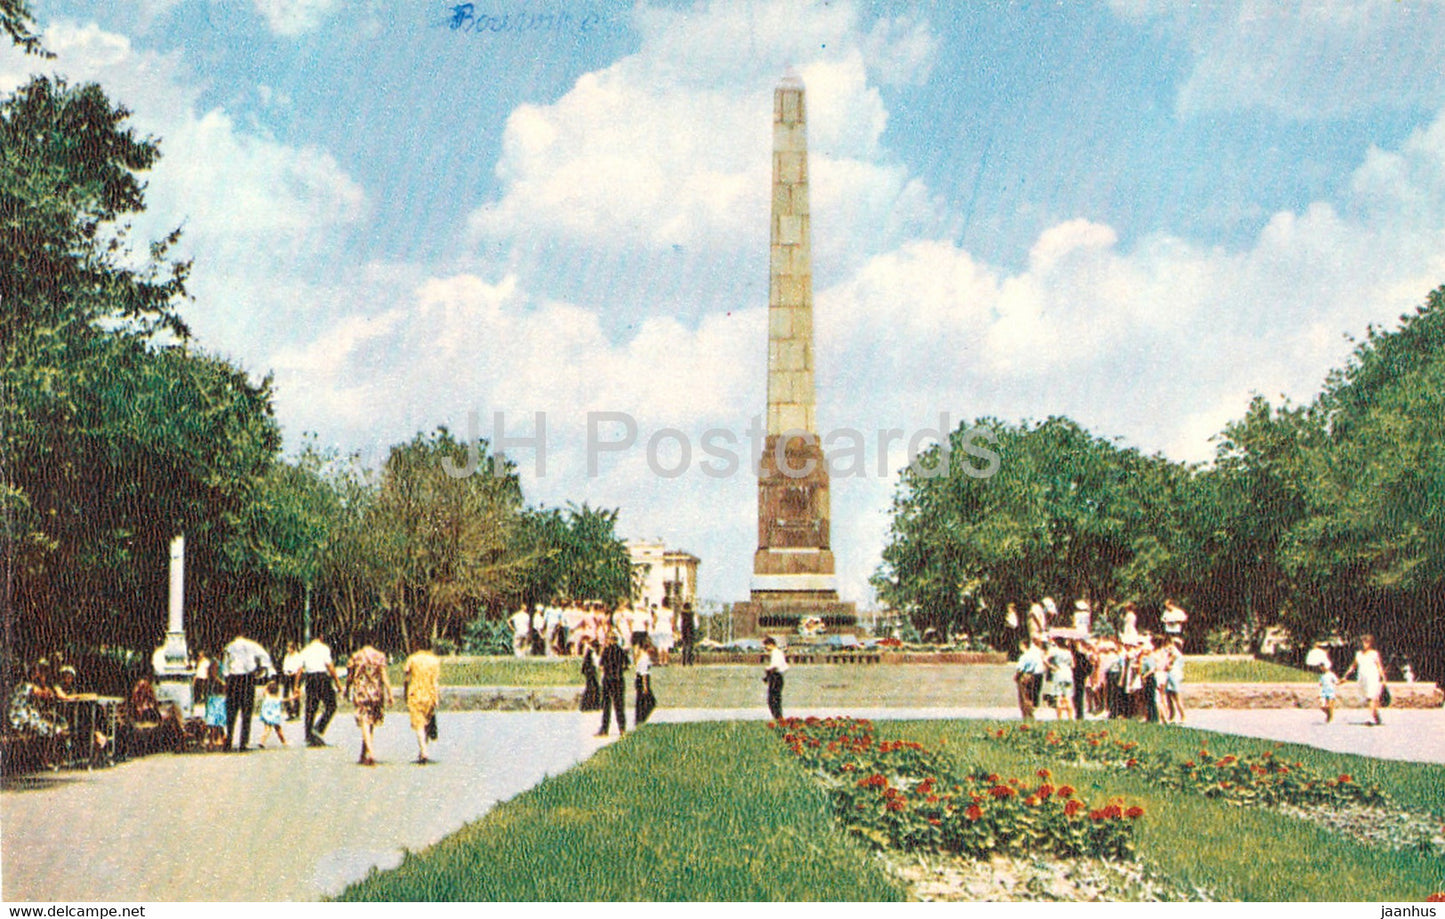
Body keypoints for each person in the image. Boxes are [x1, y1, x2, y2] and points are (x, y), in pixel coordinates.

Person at [7, 660, 68, 769]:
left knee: (50, 725)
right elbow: (45, 695)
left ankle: (47, 758)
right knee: (52, 729)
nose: (41, 675)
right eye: (40, 673)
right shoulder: (28, 686)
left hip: (20, 717)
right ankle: (45, 759)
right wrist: (45, 684)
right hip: (21, 719)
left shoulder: (21, 686)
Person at [222, 634, 272, 752]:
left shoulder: (230, 646)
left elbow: (225, 666)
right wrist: (261, 671)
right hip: (247, 679)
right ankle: (243, 743)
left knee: (231, 712)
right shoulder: (252, 645)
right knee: (246, 712)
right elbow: (265, 657)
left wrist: (227, 677)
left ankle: (229, 741)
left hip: (233, 679)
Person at [345, 642, 392, 765]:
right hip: (375, 693)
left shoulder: (356, 656)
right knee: (370, 722)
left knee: (364, 722)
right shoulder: (379, 656)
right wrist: (389, 693)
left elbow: (350, 676)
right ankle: (363, 753)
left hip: (361, 693)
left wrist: (346, 690)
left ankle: (370, 753)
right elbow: (384, 676)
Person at [403, 642, 442, 764]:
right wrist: (436, 697)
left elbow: (406, 679)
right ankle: (423, 751)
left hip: (415, 694)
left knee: (419, 725)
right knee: (426, 723)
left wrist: (405, 692)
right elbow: (435, 681)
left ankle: (423, 751)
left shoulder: (412, 659)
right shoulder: (435, 661)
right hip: (429, 695)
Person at [300, 633, 340, 747]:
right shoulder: (324, 649)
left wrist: (296, 686)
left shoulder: (305, 650)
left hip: (310, 678)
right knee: (331, 705)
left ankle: (308, 735)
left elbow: (300, 669)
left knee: (310, 707)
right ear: (321, 636)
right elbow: (330, 666)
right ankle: (318, 728)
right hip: (322, 678)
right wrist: (337, 682)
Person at [1342, 633, 1386, 726]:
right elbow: (1353, 666)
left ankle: (1370, 718)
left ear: (1370, 643)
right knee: (1367, 698)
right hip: (1362, 678)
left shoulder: (1374, 654)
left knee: (1371, 697)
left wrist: (1383, 678)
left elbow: (1379, 666)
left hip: (1372, 677)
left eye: (1366, 642)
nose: (1363, 644)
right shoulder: (1358, 654)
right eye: (1362, 642)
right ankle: (1376, 716)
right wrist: (1345, 676)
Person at [595, 631, 628, 737]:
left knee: (606, 705)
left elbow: (601, 666)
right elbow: (626, 665)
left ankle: (604, 729)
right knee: (619, 705)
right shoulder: (621, 651)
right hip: (618, 679)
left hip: (608, 680)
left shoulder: (606, 651)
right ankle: (622, 729)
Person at [256, 677, 294, 748]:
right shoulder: (277, 699)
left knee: (267, 728)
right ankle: (284, 742)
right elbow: (286, 699)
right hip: (274, 716)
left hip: (266, 715)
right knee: (278, 729)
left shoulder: (267, 697)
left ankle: (261, 741)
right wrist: (294, 697)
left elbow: (264, 690)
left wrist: (268, 684)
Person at [1014, 638, 1045, 721]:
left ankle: (1026, 715)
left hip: (1024, 675)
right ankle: (1031, 713)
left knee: (1024, 696)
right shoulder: (1034, 656)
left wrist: (1016, 677)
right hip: (1032, 675)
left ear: (1023, 645)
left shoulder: (1024, 657)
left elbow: (1020, 669)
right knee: (1030, 695)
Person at [1047, 638, 1075, 721]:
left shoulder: (1054, 651)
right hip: (1068, 673)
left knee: (1059, 696)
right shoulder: (1068, 652)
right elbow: (1073, 665)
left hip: (1059, 673)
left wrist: (1052, 666)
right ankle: (1070, 718)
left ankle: (1059, 718)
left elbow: (1045, 659)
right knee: (1068, 697)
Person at [763, 636, 788, 720]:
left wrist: (768, 671)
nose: (765, 648)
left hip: (776, 677)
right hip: (776, 677)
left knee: (773, 699)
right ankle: (777, 716)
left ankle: (777, 717)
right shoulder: (777, 653)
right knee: (775, 698)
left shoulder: (776, 653)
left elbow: (775, 666)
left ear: (771, 644)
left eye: (766, 646)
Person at [1161, 636, 1186, 723]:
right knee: (1168, 697)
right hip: (1170, 676)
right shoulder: (1173, 653)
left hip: (1174, 676)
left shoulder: (1175, 654)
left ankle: (1183, 716)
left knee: (1176, 697)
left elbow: (1168, 665)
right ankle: (1172, 716)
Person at [634, 638, 657, 725]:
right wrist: (645, 686)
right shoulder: (645, 658)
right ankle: (641, 717)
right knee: (650, 701)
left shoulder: (642, 656)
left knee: (640, 700)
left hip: (639, 678)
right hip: (642, 679)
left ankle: (640, 718)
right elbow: (644, 673)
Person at [578, 638, 602, 712]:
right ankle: (594, 705)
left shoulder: (590, 652)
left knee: (591, 688)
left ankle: (588, 705)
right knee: (595, 688)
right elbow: (594, 664)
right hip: (591, 673)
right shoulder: (591, 652)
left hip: (590, 673)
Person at [281, 642, 303, 721]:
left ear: (293, 648)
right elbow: (284, 666)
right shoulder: (287, 657)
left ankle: (297, 713)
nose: (288, 649)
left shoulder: (297, 656)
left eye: (289, 648)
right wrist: (286, 673)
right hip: (287, 675)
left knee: (295, 694)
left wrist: (296, 681)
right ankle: (290, 713)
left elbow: (299, 668)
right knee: (285, 695)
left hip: (295, 675)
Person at [1318, 659, 1339, 724]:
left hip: (1330, 691)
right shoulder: (1322, 676)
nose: (1321, 668)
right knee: (1322, 706)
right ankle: (1328, 715)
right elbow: (1320, 684)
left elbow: (1336, 682)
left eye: (1323, 666)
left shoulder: (1331, 675)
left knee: (1330, 706)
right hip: (1323, 692)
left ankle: (1330, 718)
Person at [680, 601, 697, 666]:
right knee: (691, 646)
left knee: (684, 645)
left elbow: (680, 622)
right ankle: (690, 661)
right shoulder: (692, 614)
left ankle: (684, 660)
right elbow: (696, 623)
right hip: (691, 630)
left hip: (684, 630)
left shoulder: (682, 614)